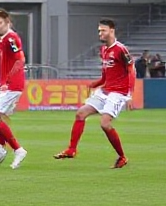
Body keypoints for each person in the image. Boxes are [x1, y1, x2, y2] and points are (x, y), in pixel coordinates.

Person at [54, 18, 134, 168]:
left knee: (104, 124)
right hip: (105, 91)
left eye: (103, 30)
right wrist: (95, 84)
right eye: (99, 31)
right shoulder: (103, 50)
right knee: (80, 113)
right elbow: (106, 75)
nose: (100, 33)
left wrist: (129, 95)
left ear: (111, 30)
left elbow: (131, 70)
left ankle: (122, 157)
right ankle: (71, 150)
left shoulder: (120, 49)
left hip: (118, 93)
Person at [0, 8, 28, 169]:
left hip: (12, 84)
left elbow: (20, 60)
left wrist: (7, 80)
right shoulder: (2, 39)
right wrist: (0, 83)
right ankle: (1, 148)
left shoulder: (11, 38)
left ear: (8, 22)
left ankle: (18, 149)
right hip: (5, 84)